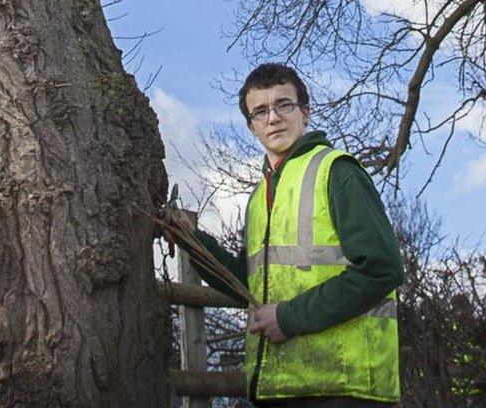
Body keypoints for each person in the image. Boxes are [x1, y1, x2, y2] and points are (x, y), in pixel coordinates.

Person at [164, 63, 404, 406]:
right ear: (251, 127)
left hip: (343, 390)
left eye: (283, 105)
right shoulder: (258, 198)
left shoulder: (337, 171)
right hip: (281, 387)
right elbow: (251, 284)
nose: (273, 117)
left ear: (304, 112)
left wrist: (289, 318)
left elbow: (382, 269)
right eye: (260, 111)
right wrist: (193, 242)